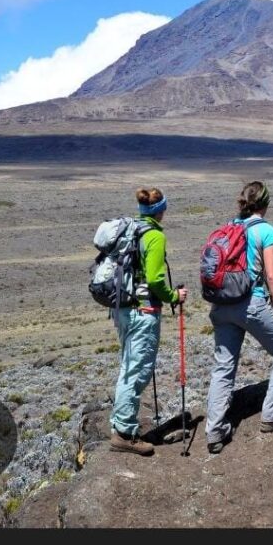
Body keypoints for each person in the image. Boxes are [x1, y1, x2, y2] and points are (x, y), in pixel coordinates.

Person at [205, 181, 273, 454]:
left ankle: (214, 432)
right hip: (251, 304)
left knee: (224, 367)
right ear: (265, 204)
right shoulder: (265, 230)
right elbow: (272, 275)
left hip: (221, 306)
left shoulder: (230, 228)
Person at [109, 187, 187, 456]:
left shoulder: (130, 230)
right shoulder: (153, 236)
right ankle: (125, 434)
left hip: (123, 310)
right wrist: (173, 295)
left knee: (128, 367)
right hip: (143, 312)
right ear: (160, 210)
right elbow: (154, 279)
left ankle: (120, 425)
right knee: (137, 371)